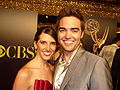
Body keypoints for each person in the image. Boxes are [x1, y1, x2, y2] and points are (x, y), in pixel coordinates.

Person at [53, 7, 112, 90]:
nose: (67, 36)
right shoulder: (55, 63)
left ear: (82, 34)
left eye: (74, 30)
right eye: (62, 30)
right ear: (57, 33)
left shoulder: (96, 64)